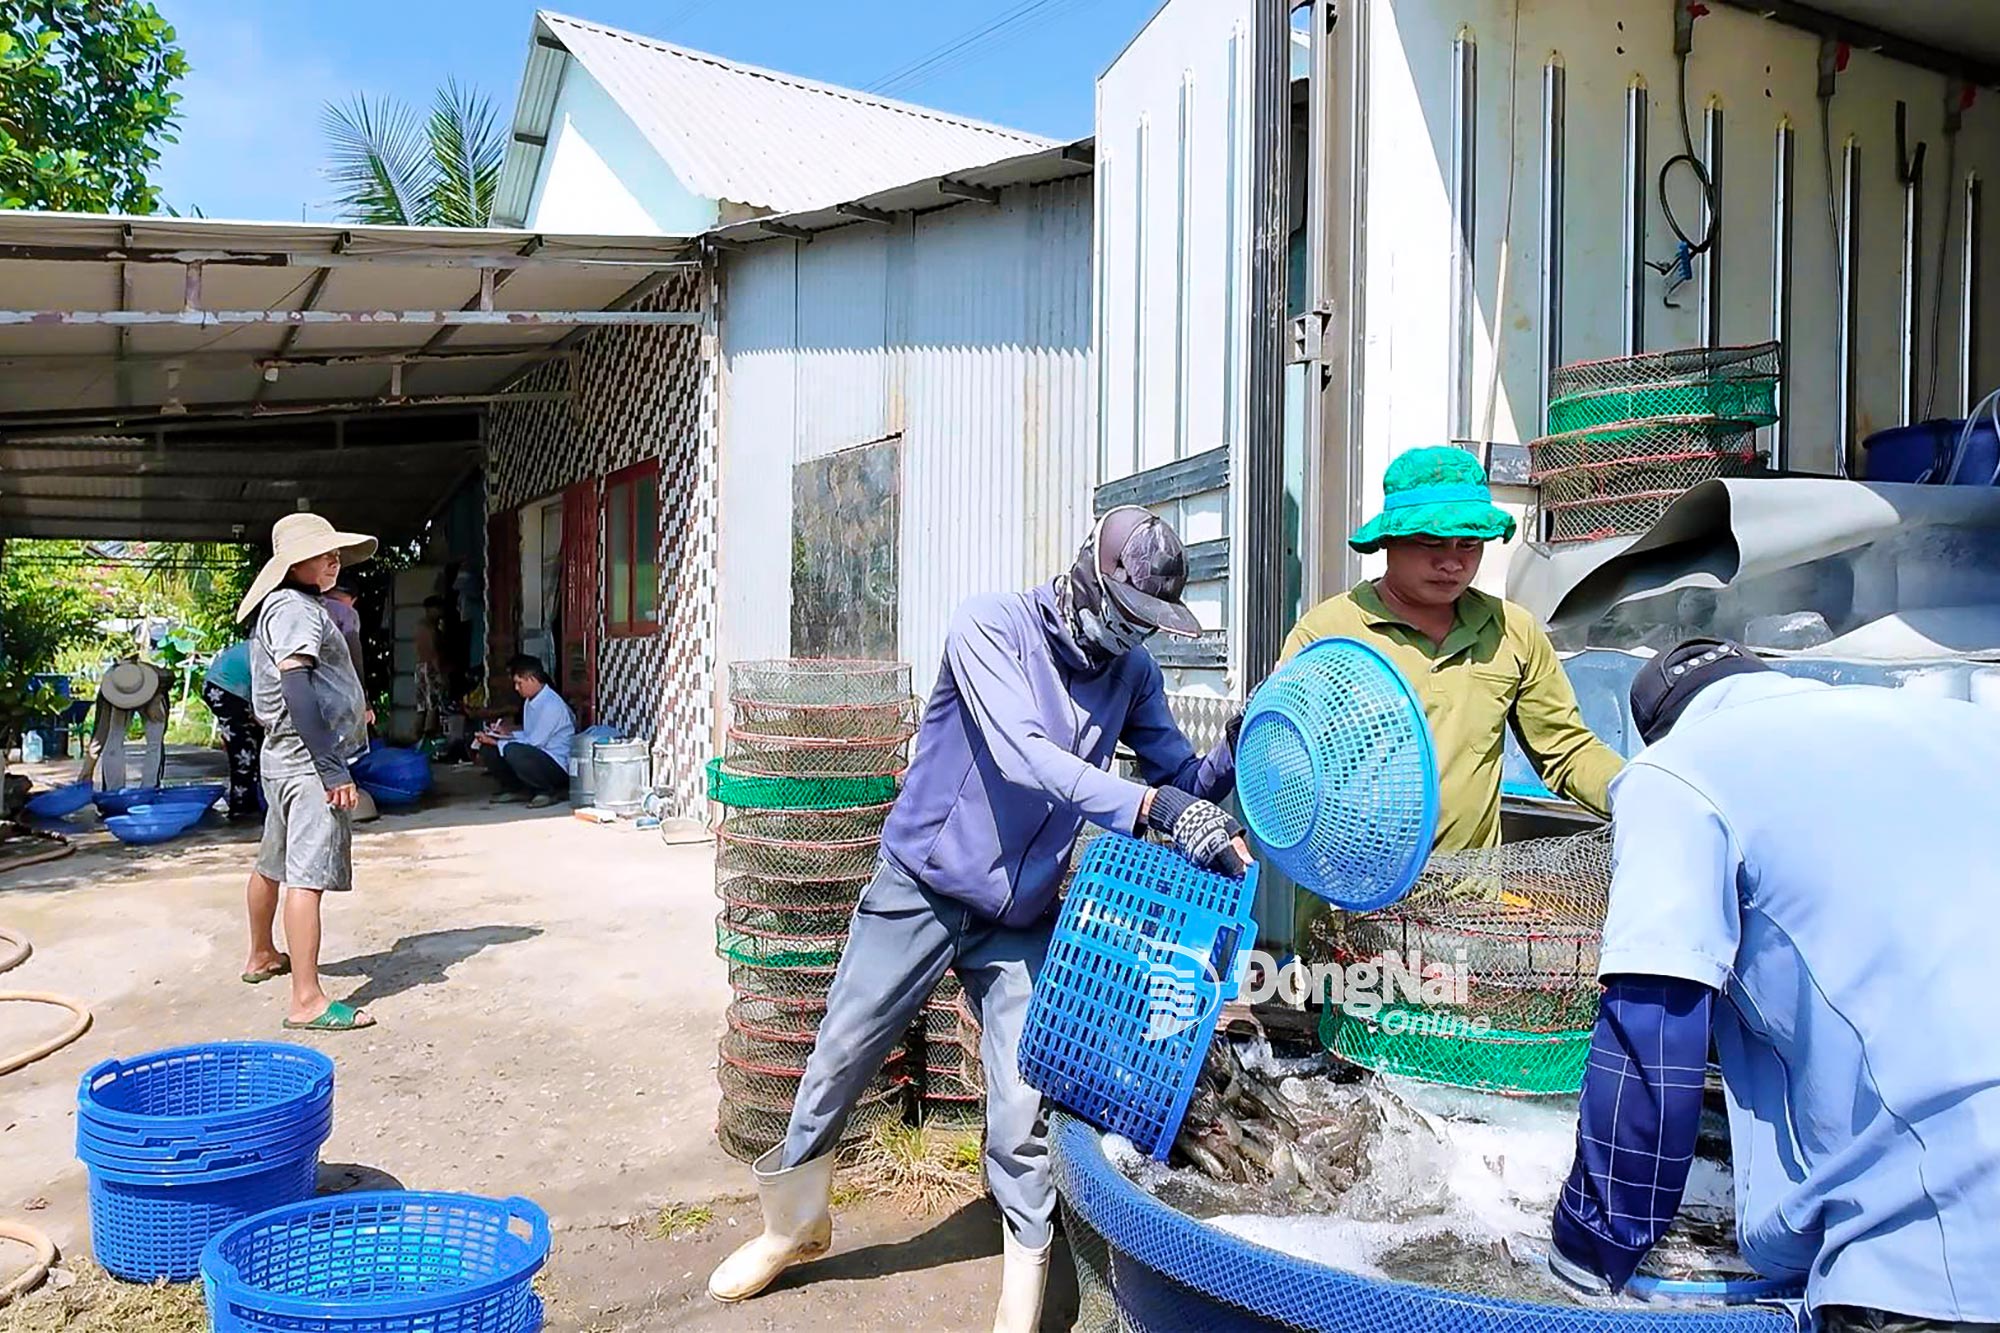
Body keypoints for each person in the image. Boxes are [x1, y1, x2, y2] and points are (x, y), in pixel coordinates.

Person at [707, 506, 1250, 1333]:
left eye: (1148, 627)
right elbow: (1026, 755)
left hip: (1021, 916)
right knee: (842, 1051)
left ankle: (1026, 1272)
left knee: (1024, 1093)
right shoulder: (992, 626)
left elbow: (1181, 775)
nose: (1130, 639)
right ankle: (791, 1223)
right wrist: (1154, 806)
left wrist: (1233, 756)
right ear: (1087, 578)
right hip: (921, 887)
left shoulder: (1131, 674)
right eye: (1126, 616)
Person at [1549, 639, 2000, 1330]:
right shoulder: (1966, 728)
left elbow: (1654, 1026)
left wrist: (1591, 1246)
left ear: (1660, 729)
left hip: (1937, 1257)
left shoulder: (1678, 772)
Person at [1280, 446, 1622, 853]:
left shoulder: (1512, 631)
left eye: (1469, 545)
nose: (1452, 563)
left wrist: (1639, 791)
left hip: (1467, 903)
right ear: (1390, 540)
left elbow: (1565, 748)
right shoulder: (1328, 634)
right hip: (1349, 896)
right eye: (1431, 543)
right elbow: (1283, 763)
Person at [236, 512, 377, 1033]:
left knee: (272, 862)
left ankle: (261, 954)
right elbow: (297, 689)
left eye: (335, 552)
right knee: (306, 878)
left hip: (283, 759)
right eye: (324, 553)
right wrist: (332, 769)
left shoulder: (287, 606)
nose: (334, 560)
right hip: (306, 763)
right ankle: (307, 1000)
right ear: (294, 563)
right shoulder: (295, 609)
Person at [473, 654, 574, 808]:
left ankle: (547, 791)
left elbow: (534, 743)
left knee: (513, 750)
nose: (516, 688)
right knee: (488, 749)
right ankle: (516, 789)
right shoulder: (530, 701)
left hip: (557, 765)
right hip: (539, 755)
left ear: (532, 679)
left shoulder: (551, 705)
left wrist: (497, 741)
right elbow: (529, 733)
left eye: (519, 683)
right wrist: (504, 734)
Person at [77, 659, 168, 791]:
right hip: (119, 701)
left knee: (155, 743)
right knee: (113, 741)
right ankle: (113, 791)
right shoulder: (108, 693)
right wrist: (87, 770)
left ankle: (150, 789)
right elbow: (101, 733)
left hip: (154, 695)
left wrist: (156, 698)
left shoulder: (158, 677)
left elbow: (170, 677)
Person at [201, 637, 263, 819]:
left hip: (225, 689)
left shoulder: (263, 644)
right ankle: (242, 805)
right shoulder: (267, 651)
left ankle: (250, 799)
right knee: (243, 750)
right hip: (224, 691)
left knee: (256, 745)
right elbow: (264, 690)